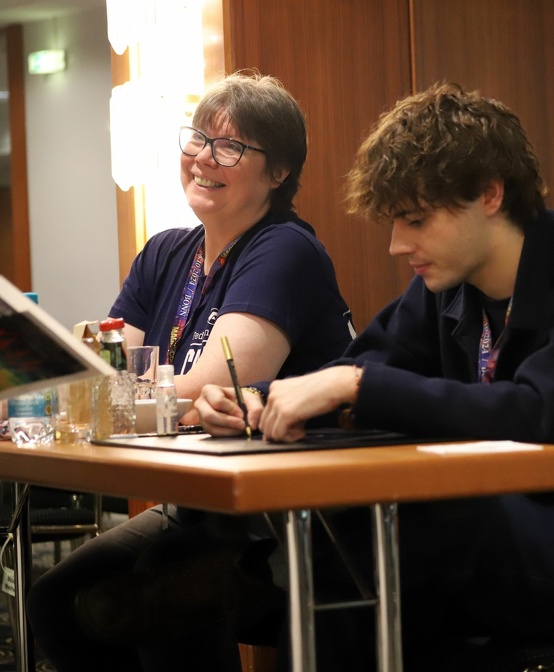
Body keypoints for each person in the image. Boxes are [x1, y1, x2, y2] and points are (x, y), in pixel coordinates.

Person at [196, 82, 554, 669]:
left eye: (415, 220)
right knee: (345, 551)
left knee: (389, 542)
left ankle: (253, 597)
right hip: (518, 534)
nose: (397, 245)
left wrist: (356, 387)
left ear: (490, 194)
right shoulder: (448, 286)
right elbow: (361, 367)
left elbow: (534, 413)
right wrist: (258, 400)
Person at [26, 71, 355, 672]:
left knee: (163, 587)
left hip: (291, 516)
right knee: (56, 600)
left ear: (278, 172)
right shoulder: (165, 251)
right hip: (201, 504)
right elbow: (105, 368)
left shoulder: (285, 249)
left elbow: (208, 389)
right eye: (198, 138)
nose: (203, 157)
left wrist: (104, 394)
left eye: (230, 146)